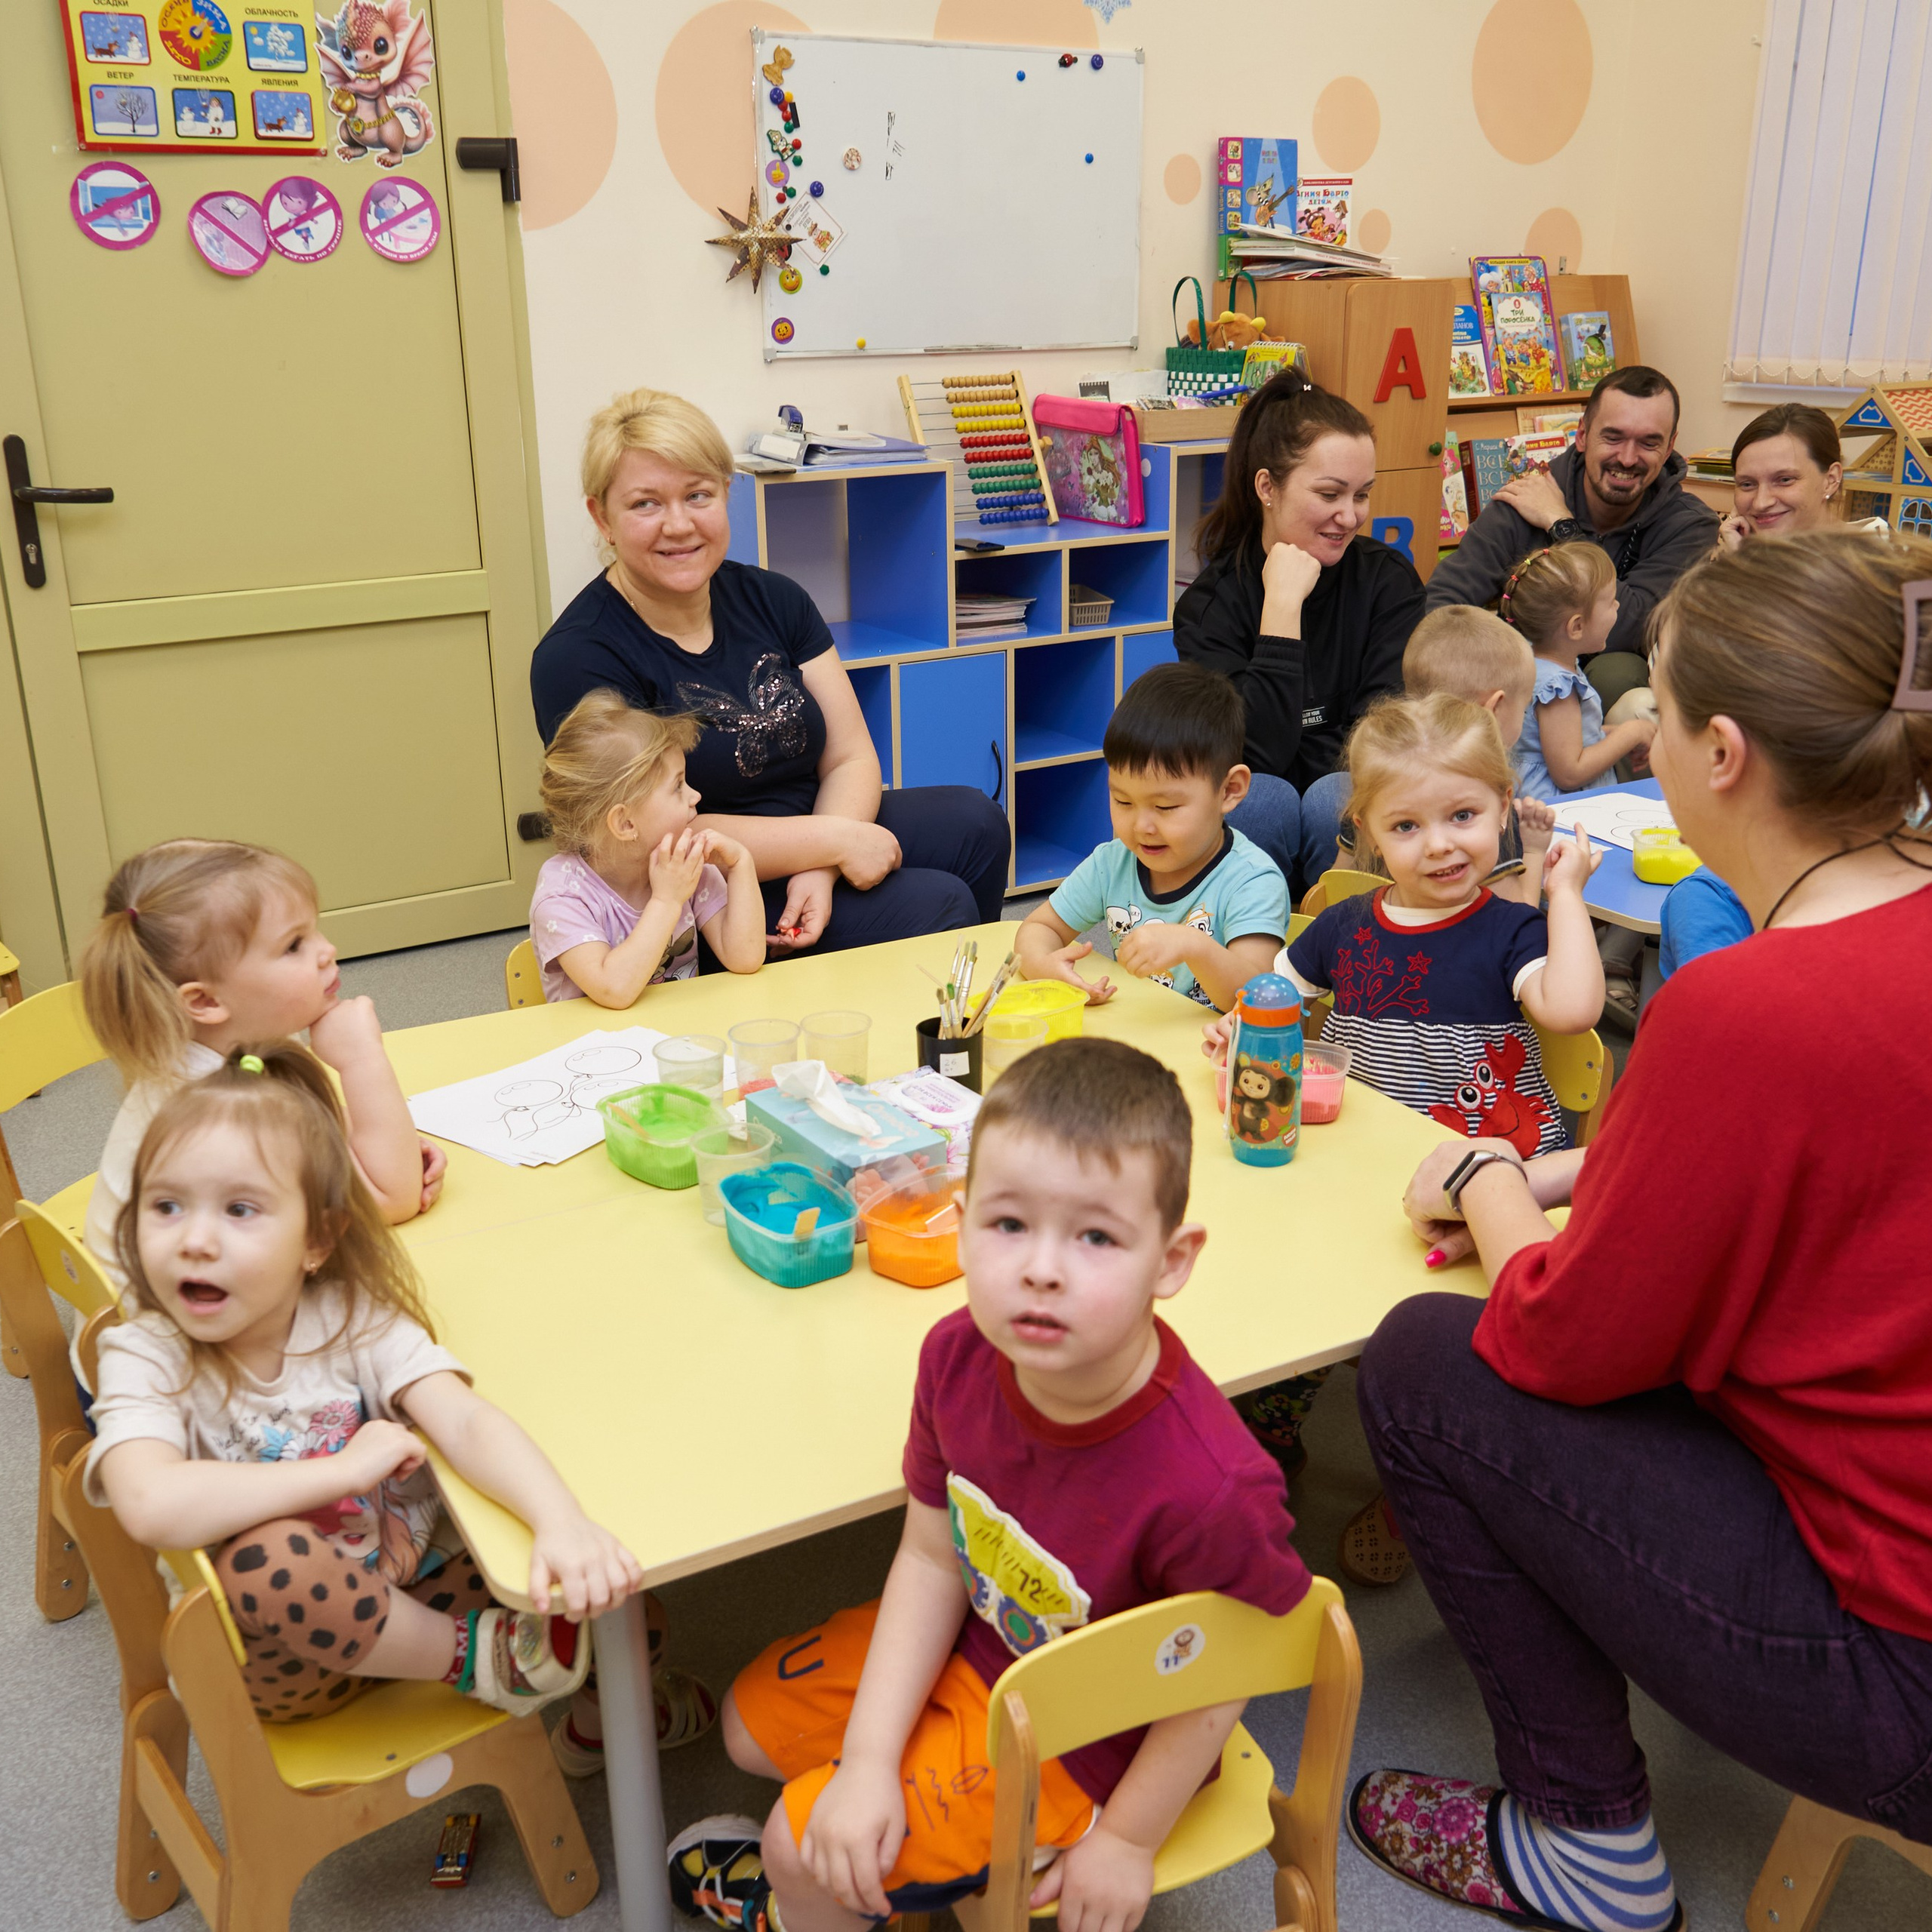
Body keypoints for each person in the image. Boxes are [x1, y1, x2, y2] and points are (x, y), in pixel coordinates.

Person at [1353, 529, 1932, 1930]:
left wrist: (1493, 1177)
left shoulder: (1744, 1008)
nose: (1642, 745)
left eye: (1652, 714)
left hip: (1896, 1670)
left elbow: (1559, 1342)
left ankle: (1584, 1844)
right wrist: (1595, 1172)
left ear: (1721, 752)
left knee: (1428, 1364)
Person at [666, 1038, 1310, 1932]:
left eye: (1094, 1235)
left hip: (1093, 1741)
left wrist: (1127, 1837)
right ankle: (857, 1880)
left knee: (793, 1845)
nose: (1041, 1267)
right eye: (1009, 1225)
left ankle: (804, 1902)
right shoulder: (955, 1357)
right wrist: (867, 1760)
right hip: (985, 1638)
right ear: (961, 1227)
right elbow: (932, 1559)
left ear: (1171, 1259)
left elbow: (1232, 1664)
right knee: (746, 1727)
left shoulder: (1211, 1483)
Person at [86, 1044, 643, 1720]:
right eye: (167, 1206)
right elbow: (148, 1501)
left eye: (239, 1211)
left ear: (318, 1241)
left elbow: (464, 1421)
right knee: (271, 1558)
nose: (194, 1240)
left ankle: (577, 1722)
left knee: (622, 1612)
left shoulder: (349, 1317)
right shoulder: (144, 1352)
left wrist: (562, 1522)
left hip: (407, 1589)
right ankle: (478, 1661)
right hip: (278, 1656)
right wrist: (343, 1472)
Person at [1204, 694, 1603, 1586]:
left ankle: (1435, 1471)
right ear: (1369, 833)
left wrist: (1563, 892)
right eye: (1409, 824)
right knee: (1297, 1279)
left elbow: (1575, 1009)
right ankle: (1274, 1425)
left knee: (1453, 1345)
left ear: (1503, 807)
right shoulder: (1347, 926)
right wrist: (1240, 1025)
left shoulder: (1511, 931)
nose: (1442, 845)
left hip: (1496, 1182)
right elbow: (1273, 989)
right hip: (1373, 1171)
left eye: (1464, 815)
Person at [530, 389, 1010, 958]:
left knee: (977, 823)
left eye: (697, 495)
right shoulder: (579, 657)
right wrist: (833, 843)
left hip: (812, 831)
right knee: (938, 903)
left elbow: (851, 756)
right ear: (601, 516)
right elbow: (657, 835)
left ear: (727, 494)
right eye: (645, 505)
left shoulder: (773, 598)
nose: (678, 524)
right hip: (700, 892)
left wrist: (821, 867)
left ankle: (957, 1025)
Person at [79, 838, 441, 1294]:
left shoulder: (239, 1048)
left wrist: (395, 1152)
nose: (327, 950)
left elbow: (338, 1139)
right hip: (181, 1336)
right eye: (293, 945)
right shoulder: (229, 1108)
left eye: (314, 931)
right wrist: (362, 1060)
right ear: (206, 1000)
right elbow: (393, 1200)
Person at [1174, 370, 1425, 893]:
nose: (1350, 516)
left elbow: (1381, 738)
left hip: (1346, 806)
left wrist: (1309, 775)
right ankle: (1246, 957)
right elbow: (1254, 756)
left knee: (1335, 797)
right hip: (1256, 806)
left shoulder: (1387, 582)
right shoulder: (1211, 604)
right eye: (1330, 493)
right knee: (1263, 798)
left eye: (1362, 495)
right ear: (1267, 487)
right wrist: (1282, 610)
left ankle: (1346, 959)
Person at [1426, 368, 1718, 713]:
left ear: (1670, 447)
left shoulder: (1690, 524)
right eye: (1612, 437)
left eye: (1649, 443)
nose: (1627, 458)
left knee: (1620, 673)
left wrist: (1561, 525)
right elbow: (1440, 606)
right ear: (1582, 435)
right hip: (1510, 682)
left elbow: (1628, 629)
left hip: (1607, 693)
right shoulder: (1526, 499)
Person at [1015, 662, 1288, 1012]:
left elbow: (1255, 1000)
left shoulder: (1251, 881)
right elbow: (1039, 927)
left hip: (1212, 1056)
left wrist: (1195, 947)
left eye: (1166, 806)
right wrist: (1043, 965)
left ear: (1229, 790)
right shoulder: (1113, 862)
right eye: (1123, 801)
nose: (1141, 826)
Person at [531, 690, 765, 1004]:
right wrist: (667, 900)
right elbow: (614, 990)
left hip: (672, 1041)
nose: (695, 796)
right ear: (626, 824)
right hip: (594, 1047)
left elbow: (745, 958)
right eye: (678, 786)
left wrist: (741, 865)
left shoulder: (683, 867)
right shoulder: (563, 896)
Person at [1331, 604, 1552, 905]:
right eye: (1524, 709)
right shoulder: (1479, 804)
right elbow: (1517, 918)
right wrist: (1535, 851)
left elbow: (1338, 887)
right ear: (1494, 709)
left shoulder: (1376, 781)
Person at [1500, 544, 1657, 801]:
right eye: (1610, 602)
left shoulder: (1533, 664)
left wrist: (1616, 735)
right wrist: (1632, 733)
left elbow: (1565, 739)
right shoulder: (1558, 686)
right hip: (1559, 812)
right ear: (1576, 627)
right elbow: (1570, 772)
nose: (1618, 606)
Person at [1718, 401, 1890, 549]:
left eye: (1785, 480)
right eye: (1747, 484)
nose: (1761, 503)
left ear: (1830, 480)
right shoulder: (1743, 549)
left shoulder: (1881, 557)